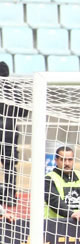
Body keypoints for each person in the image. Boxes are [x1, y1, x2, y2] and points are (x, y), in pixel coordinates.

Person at [0, 61, 28, 206]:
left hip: (6, 130)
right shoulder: (14, 90)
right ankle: (10, 195)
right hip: (10, 131)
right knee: (10, 165)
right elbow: (24, 112)